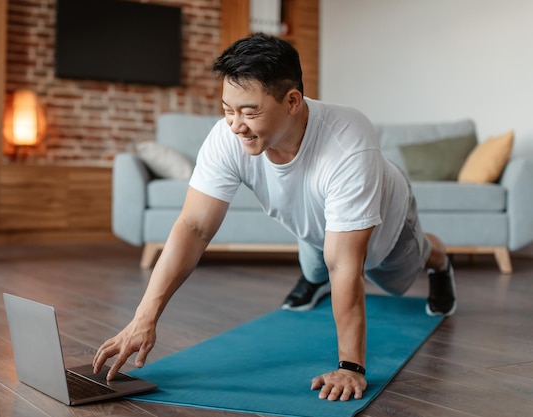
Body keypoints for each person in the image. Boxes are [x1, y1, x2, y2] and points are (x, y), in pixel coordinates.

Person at [93, 33, 456, 402]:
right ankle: (315, 277)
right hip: (316, 223)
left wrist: (351, 368)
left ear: (293, 101)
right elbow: (194, 226)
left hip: (385, 227)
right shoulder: (228, 137)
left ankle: (441, 262)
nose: (235, 125)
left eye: (249, 112)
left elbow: (348, 264)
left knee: (393, 275)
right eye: (227, 109)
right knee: (318, 266)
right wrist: (144, 317)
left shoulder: (348, 141)